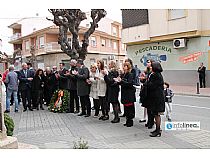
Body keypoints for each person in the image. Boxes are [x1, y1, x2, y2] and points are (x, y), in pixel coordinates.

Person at [145, 62, 165, 137]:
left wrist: (146, 83)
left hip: (157, 98)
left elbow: (152, 86)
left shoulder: (156, 75)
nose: (150, 67)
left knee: (157, 114)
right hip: (156, 97)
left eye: (151, 66)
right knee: (156, 114)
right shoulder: (158, 74)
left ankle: (158, 130)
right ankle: (157, 129)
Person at [115, 62, 136, 127]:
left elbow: (129, 83)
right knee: (126, 107)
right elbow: (122, 82)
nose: (123, 67)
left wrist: (121, 81)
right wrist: (118, 81)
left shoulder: (130, 74)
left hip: (129, 93)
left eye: (125, 66)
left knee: (129, 107)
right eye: (123, 66)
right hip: (125, 93)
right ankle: (127, 120)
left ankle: (130, 121)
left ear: (128, 67)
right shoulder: (123, 74)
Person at [139, 59, 155, 129]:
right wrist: (142, 79)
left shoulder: (154, 72)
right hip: (146, 92)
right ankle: (149, 121)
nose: (147, 63)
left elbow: (151, 82)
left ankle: (151, 122)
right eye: (147, 62)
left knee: (151, 109)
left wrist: (145, 80)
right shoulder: (146, 71)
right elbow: (145, 81)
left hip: (151, 92)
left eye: (149, 62)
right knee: (148, 108)